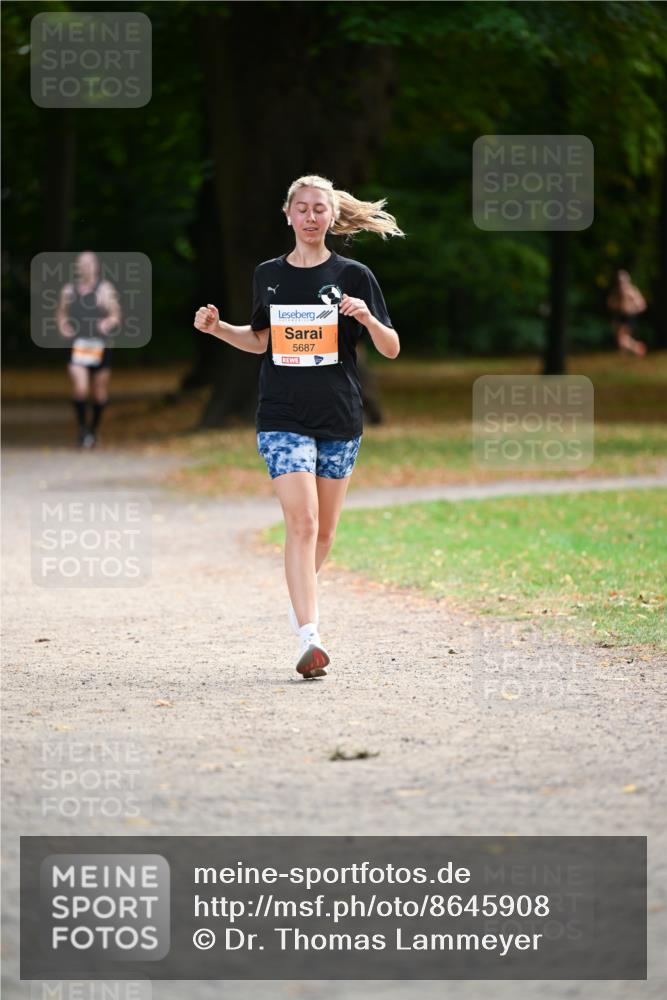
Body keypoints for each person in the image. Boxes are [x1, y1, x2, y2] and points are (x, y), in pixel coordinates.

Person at [194, 174, 404, 679]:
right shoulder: (268, 275)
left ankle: (297, 599)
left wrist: (367, 319)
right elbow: (260, 340)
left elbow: (392, 347)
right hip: (282, 415)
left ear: (332, 216)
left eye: (319, 209)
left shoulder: (354, 276)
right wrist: (219, 329)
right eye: (302, 208)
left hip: (339, 416)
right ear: (287, 214)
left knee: (325, 531)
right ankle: (310, 636)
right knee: (304, 523)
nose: (311, 217)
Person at [56, 251, 122, 447]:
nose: (85, 267)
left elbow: (115, 315)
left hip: (100, 345)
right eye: (82, 263)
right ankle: (82, 430)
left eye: (89, 263)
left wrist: (107, 323)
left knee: (100, 392)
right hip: (77, 345)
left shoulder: (105, 289)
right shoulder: (69, 290)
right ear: (77, 267)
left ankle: (93, 430)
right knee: (81, 388)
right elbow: (61, 314)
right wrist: (63, 326)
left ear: (96, 266)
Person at [607, 269, 647, 357]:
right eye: (620, 281)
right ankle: (632, 351)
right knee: (621, 340)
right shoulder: (616, 292)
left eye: (623, 281)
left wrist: (633, 310)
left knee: (622, 339)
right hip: (620, 315)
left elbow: (641, 304)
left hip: (629, 316)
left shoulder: (631, 291)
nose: (621, 284)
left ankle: (637, 347)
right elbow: (611, 303)